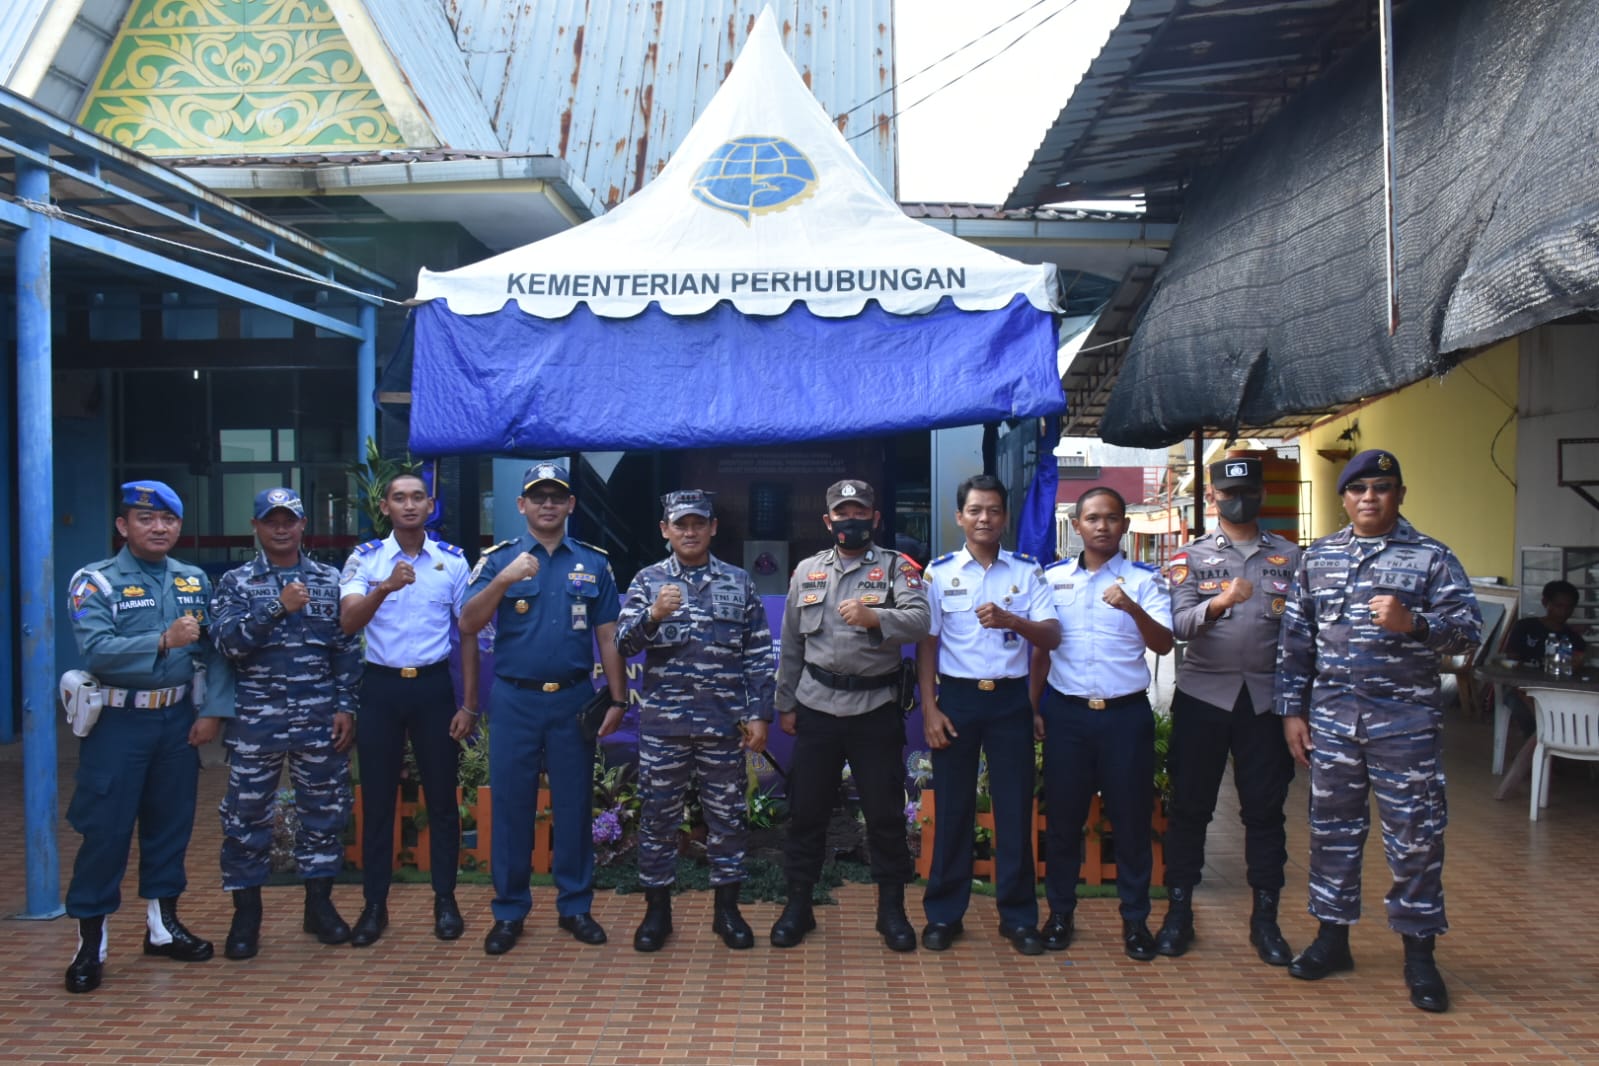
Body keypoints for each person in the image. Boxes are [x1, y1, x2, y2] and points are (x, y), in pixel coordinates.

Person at [1277, 449, 1481, 1013]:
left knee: (1415, 837)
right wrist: (1292, 712)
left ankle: (1420, 957)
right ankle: (1331, 940)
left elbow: (1468, 635)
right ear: (1344, 498)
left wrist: (1414, 623)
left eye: (1382, 487)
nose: (1370, 497)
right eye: (1359, 488)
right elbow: (1296, 641)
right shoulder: (1316, 559)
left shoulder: (1431, 558)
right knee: (1332, 833)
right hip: (1334, 724)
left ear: (1399, 495)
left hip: (1405, 727)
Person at [61, 481, 228, 993]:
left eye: (168, 521)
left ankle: (162, 926)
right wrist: (161, 639)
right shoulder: (96, 581)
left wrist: (214, 712)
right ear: (123, 526)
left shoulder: (193, 579)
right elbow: (96, 648)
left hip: (176, 720)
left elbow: (215, 652)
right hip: (118, 723)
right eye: (145, 519)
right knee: (105, 831)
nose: (159, 529)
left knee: (170, 825)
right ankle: (92, 941)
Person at [459, 460, 628, 955]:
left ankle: (575, 906)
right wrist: (503, 580)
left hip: (573, 697)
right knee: (511, 807)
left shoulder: (594, 562)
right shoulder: (499, 560)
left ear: (571, 504)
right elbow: (468, 622)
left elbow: (608, 634)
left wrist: (617, 696)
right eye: (539, 496)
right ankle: (509, 911)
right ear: (522, 505)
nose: (548, 504)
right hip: (515, 699)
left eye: (557, 496)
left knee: (574, 805)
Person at [770, 478, 931, 952]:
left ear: (875, 519)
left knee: (884, 816)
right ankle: (798, 907)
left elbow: (922, 622)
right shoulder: (806, 572)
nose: (851, 520)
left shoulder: (899, 568)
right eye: (843, 513)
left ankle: (892, 911)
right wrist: (784, 705)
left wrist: (877, 617)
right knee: (805, 814)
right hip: (817, 707)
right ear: (828, 521)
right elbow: (792, 645)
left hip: (875, 710)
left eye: (860, 511)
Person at [202, 487, 362, 959]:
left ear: (302, 524)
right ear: (256, 527)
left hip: (319, 717)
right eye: (270, 520)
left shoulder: (329, 580)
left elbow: (346, 649)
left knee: (324, 813)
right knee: (246, 816)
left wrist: (346, 706)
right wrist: (276, 607)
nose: (280, 528)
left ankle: (320, 906)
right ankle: (246, 915)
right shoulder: (235, 582)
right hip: (257, 720)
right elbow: (229, 644)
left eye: (288, 520)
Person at [615, 490, 776, 952]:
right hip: (665, 726)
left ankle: (727, 912)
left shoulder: (738, 581)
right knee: (658, 820)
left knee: (728, 819)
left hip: (723, 726)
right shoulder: (647, 581)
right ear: (665, 529)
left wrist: (758, 715)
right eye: (680, 524)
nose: (689, 532)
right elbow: (624, 645)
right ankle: (656, 914)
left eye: (698, 523)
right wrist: (653, 615)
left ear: (713, 528)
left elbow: (759, 656)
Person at [1156, 457, 1299, 965]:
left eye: (1249, 490)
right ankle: (1178, 914)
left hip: (1265, 701)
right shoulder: (1189, 559)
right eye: (1230, 492)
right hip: (1204, 699)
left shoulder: (1289, 556)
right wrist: (1218, 604)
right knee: (1191, 809)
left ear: (1260, 493)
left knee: (1264, 811)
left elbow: (1303, 636)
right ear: (1214, 497)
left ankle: (1266, 921)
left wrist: (1299, 705)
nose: (1241, 499)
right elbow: (1177, 626)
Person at [916, 474, 1059, 955]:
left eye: (993, 510)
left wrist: (1013, 621)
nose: (984, 518)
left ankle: (1018, 918)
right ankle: (943, 914)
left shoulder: (1027, 570)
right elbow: (927, 646)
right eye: (975, 510)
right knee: (953, 809)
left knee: (1014, 809)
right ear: (960, 517)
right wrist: (931, 709)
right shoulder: (938, 574)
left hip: (1010, 701)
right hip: (957, 700)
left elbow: (1051, 638)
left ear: (1004, 517)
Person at [1031, 486, 1174, 961]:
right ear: (1076, 526)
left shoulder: (1144, 581)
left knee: (1131, 822)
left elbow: (1163, 645)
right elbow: (1041, 652)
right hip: (1067, 715)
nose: (1102, 526)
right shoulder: (1052, 580)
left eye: (1112, 518)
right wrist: (1034, 707)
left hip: (1124, 717)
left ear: (1125, 526)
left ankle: (1135, 922)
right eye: (1092, 518)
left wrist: (1131, 606)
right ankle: (1060, 914)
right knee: (1065, 821)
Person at [338, 472, 480, 945]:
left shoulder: (452, 562)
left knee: (442, 800)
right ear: (385, 507)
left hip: (433, 690)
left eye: (418, 497)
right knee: (378, 800)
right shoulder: (365, 559)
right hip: (380, 690)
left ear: (431, 504)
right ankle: (374, 906)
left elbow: (468, 632)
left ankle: (445, 900)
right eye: (399, 498)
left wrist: (469, 704)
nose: (409, 505)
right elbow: (347, 623)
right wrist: (383, 588)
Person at [1494, 580, 1588, 800]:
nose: (1563, 611)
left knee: (1559, 713)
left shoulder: (1574, 639)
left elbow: (1576, 666)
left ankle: (1543, 752)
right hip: (1521, 689)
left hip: (1557, 693)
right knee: (1527, 709)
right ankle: (1547, 752)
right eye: (1558, 605)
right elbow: (1512, 662)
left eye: (1568, 607)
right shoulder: (1525, 627)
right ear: (1546, 603)